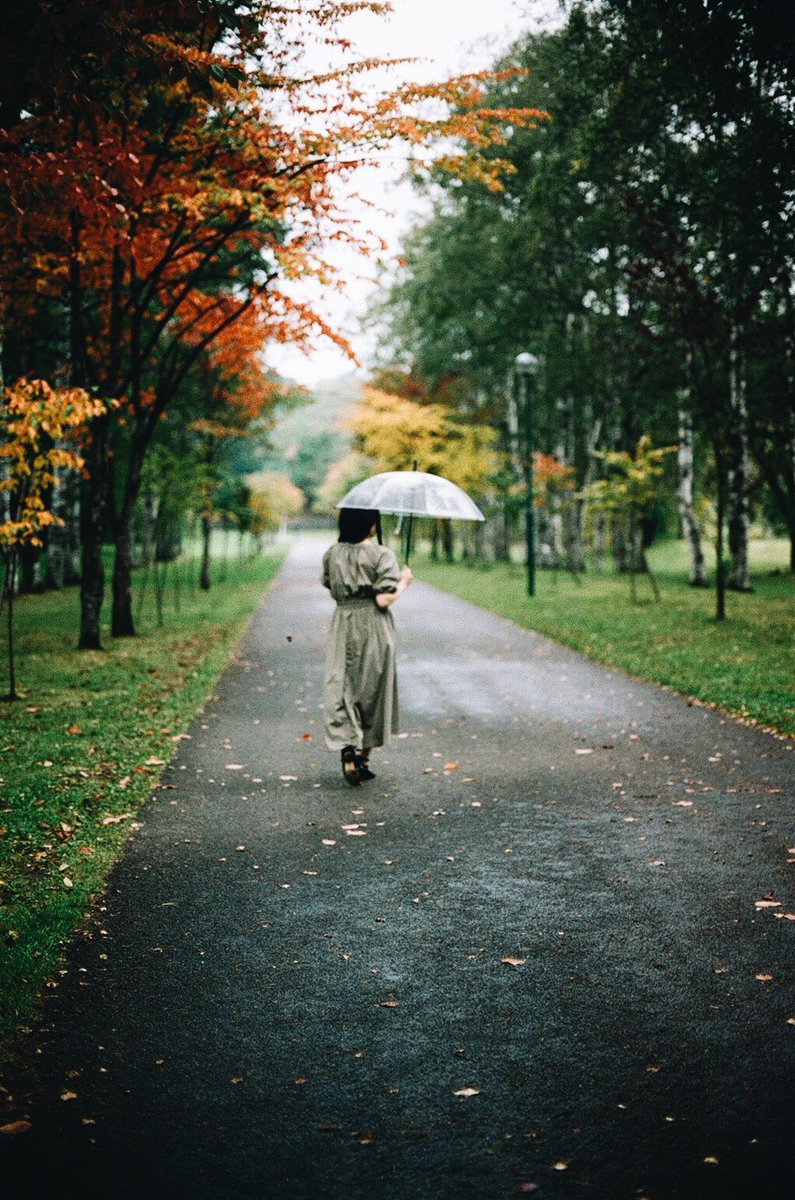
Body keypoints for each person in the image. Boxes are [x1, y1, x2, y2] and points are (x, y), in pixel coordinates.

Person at [321, 507, 413, 786]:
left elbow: (329, 584)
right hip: (374, 626)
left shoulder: (332, 553)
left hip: (343, 624)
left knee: (342, 685)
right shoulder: (382, 555)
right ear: (370, 524)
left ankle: (347, 745)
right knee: (373, 691)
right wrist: (404, 582)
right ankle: (362, 757)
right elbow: (383, 600)